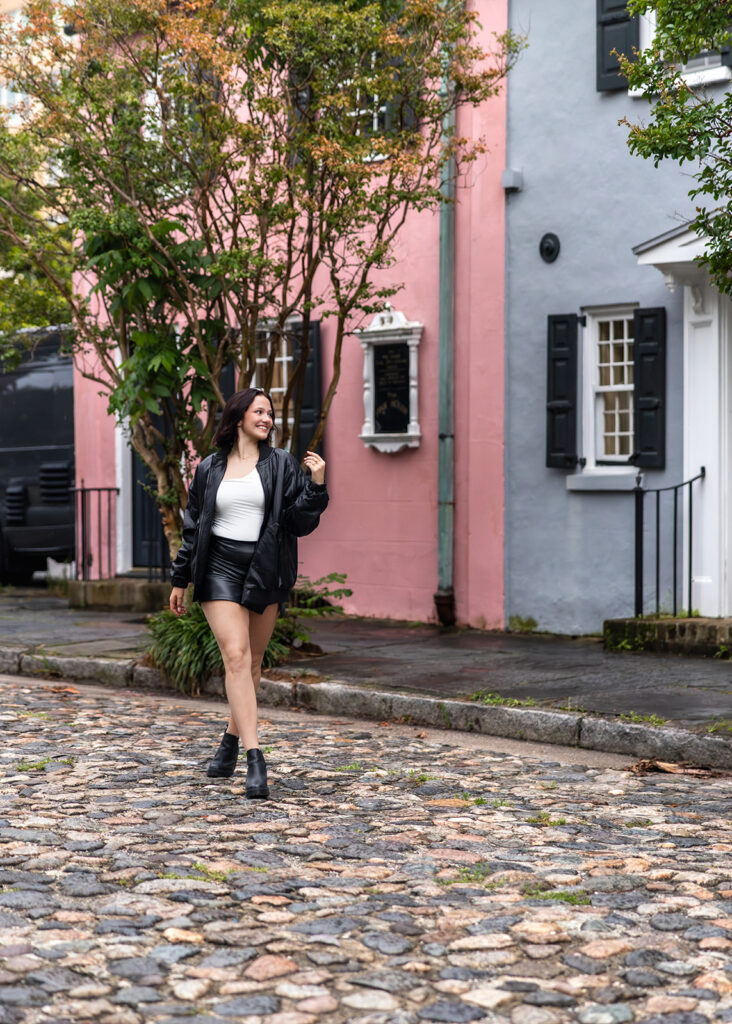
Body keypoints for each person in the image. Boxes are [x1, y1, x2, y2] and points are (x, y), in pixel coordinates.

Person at [168, 388, 328, 799]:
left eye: (271, 413)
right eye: (259, 411)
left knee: (253, 664)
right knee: (236, 655)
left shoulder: (281, 464)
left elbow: (298, 523)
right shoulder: (209, 468)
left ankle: (228, 743)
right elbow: (194, 526)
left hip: (263, 568)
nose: (267, 418)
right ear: (238, 417)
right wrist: (180, 579)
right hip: (218, 566)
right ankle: (255, 759)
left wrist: (316, 484)